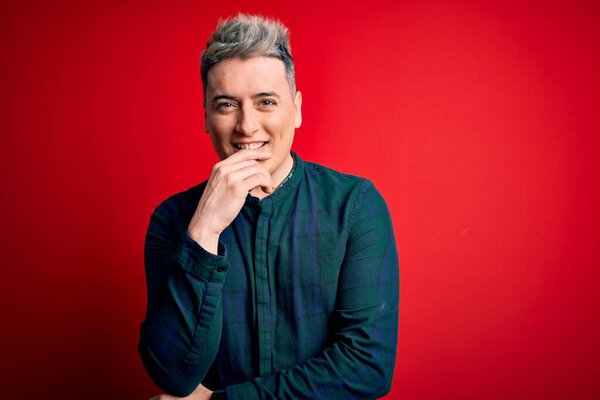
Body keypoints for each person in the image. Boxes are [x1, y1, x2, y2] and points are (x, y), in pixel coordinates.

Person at [139, 14, 399, 400]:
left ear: (296, 109)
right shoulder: (173, 220)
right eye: (226, 104)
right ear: (206, 117)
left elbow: (366, 367)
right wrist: (205, 231)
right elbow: (173, 376)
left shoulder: (356, 207)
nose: (247, 126)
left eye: (266, 102)